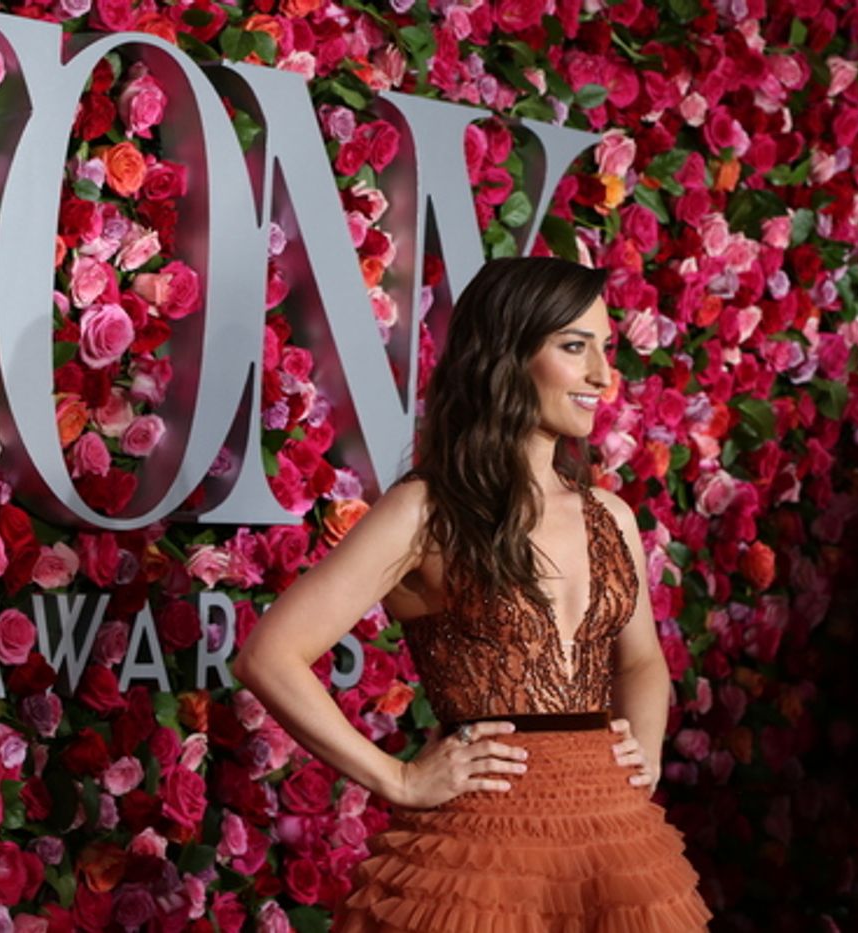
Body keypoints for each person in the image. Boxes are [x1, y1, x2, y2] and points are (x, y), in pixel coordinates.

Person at [234, 256, 711, 930]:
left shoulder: (611, 517)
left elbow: (640, 660)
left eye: (606, 349)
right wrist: (398, 778)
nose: (603, 376)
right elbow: (268, 655)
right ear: (507, 355)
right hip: (485, 851)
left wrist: (647, 752)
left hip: (616, 840)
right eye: (575, 347)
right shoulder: (427, 511)